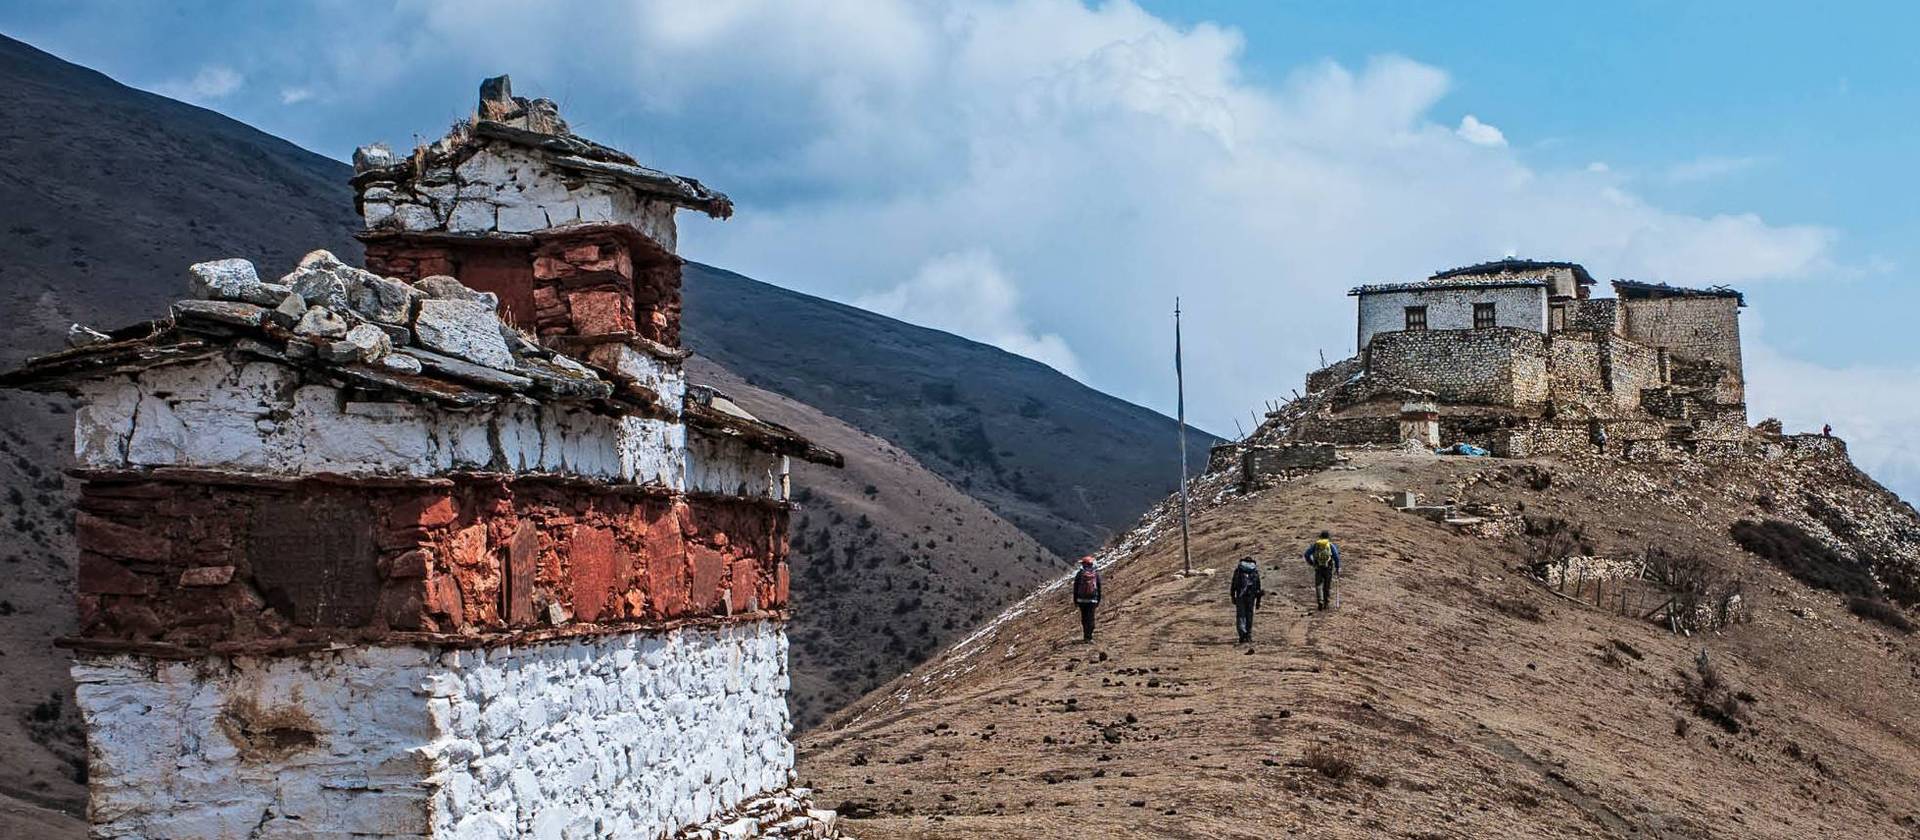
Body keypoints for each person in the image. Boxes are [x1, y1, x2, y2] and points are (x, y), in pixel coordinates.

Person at [1303, 531, 1342, 610]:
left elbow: (1306, 554)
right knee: (1327, 586)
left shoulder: (1316, 545)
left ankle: (1320, 601)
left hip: (1318, 567)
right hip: (1328, 568)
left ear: (1320, 537)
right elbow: (1336, 557)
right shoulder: (1330, 545)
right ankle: (1326, 603)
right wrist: (1338, 567)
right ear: (1328, 537)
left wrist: (1312, 563)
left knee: (1318, 585)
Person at [1229, 556, 1264, 643]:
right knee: (1249, 616)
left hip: (1240, 596)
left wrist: (1233, 596)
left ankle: (1242, 635)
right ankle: (1248, 635)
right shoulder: (1254, 572)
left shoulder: (1238, 571)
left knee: (1241, 616)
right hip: (1251, 597)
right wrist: (1258, 602)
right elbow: (1258, 587)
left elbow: (1234, 585)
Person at [1071, 556, 1102, 642]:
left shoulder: (1080, 574)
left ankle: (1085, 636)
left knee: (1084, 618)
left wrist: (1075, 600)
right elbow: (1099, 588)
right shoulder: (1095, 574)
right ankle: (1089, 636)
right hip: (1092, 600)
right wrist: (1098, 600)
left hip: (1081, 600)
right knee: (1091, 618)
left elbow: (1075, 588)